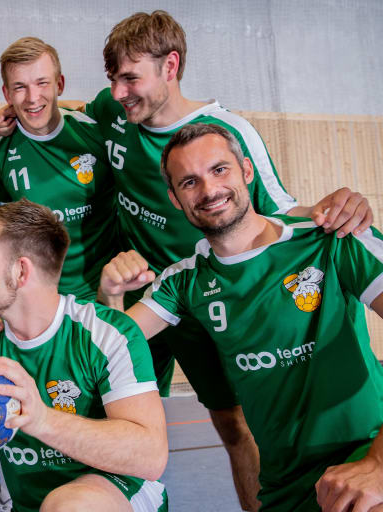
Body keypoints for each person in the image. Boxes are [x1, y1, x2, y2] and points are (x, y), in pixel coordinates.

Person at [0, 13, 374, 509]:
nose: (119, 90)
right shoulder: (112, 112)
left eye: (131, 78)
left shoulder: (228, 131)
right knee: (98, 410)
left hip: (214, 295)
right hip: (151, 294)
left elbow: (282, 214)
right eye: (113, 79)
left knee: (234, 422)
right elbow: (48, 113)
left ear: (170, 66)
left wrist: (343, 207)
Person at [99, 122, 383, 512]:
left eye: (219, 170)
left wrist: (378, 464)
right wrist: (110, 294)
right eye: (189, 182)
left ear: (247, 171)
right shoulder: (184, 281)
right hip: (283, 486)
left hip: (365, 455)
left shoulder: (332, 237)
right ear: (175, 198)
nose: (209, 190)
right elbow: (105, 344)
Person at [0, 198, 168, 512]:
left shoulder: (106, 334)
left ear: (21, 271)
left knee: (68, 507)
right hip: (26, 499)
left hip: (115, 492)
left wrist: (41, 419)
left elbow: (150, 456)